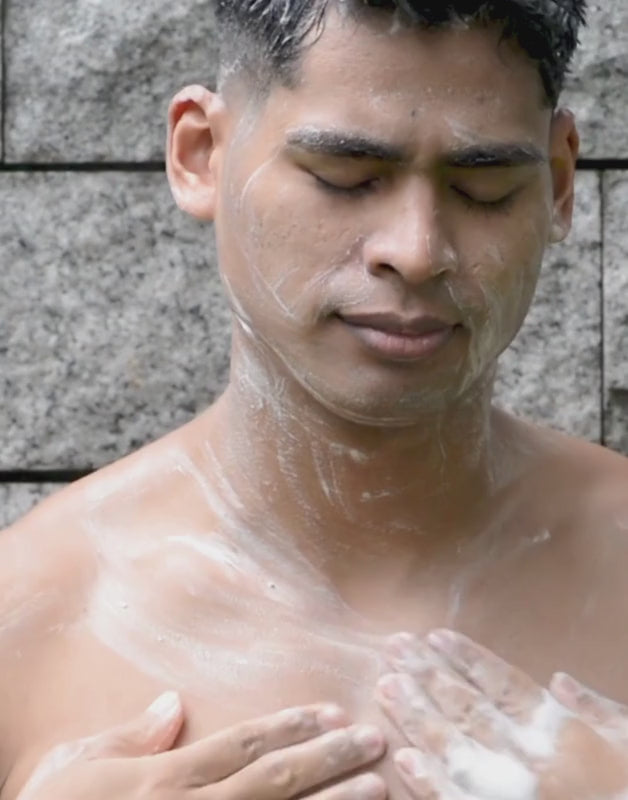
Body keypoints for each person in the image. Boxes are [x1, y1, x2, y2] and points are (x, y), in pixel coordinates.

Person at [3, 0, 628, 797]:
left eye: (485, 188)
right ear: (201, 154)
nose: (416, 250)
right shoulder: (26, 627)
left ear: (560, 182)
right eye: (347, 179)